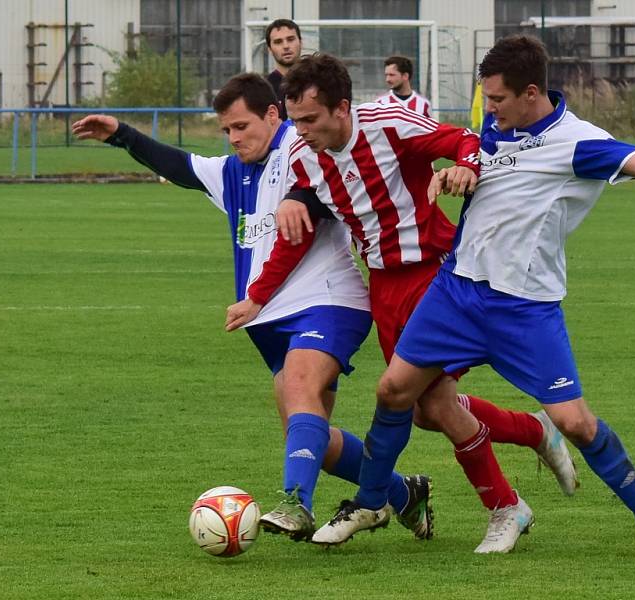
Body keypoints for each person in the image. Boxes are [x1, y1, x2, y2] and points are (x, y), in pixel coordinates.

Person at [313, 35, 635, 557]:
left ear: (532, 93)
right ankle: (371, 501)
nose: (490, 110)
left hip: (524, 310)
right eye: (486, 99)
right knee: (395, 391)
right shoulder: (495, 125)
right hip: (456, 294)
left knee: (574, 421)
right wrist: (459, 169)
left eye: (499, 100)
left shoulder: (579, 142)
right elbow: (472, 155)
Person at [224, 53, 578, 553]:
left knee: (431, 402)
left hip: (434, 274)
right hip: (383, 288)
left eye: (310, 120)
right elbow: (295, 238)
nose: (299, 132)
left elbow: (461, 139)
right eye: (296, 120)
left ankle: (504, 505)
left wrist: (465, 166)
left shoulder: (387, 124)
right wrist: (257, 297)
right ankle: (532, 432)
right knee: (425, 412)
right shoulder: (307, 158)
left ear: (342, 108)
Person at [71, 73, 433, 544]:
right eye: (227, 130)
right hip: (264, 319)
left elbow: (327, 184)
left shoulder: (304, 151)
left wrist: (300, 198)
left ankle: (295, 504)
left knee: (302, 387)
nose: (234, 138)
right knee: (311, 436)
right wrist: (121, 134)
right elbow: (182, 166)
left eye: (242, 126)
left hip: (326, 300)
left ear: (272, 115)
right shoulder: (231, 172)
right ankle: (405, 494)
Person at [265, 18, 302, 120]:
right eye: (278, 42)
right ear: (269, 49)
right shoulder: (264, 89)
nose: (286, 46)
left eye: (290, 39)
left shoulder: (318, 81)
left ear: (300, 42)